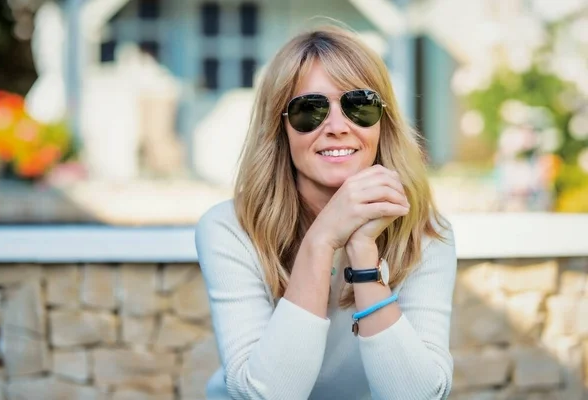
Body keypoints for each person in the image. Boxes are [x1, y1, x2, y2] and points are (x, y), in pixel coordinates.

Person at [195, 24, 457, 400]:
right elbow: (265, 396)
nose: (337, 127)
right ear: (280, 128)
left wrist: (363, 253)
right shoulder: (229, 228)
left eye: (359, 104)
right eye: (310, 110)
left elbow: (419, 396)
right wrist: (321, 240)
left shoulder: (426, 232)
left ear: (383, 122)